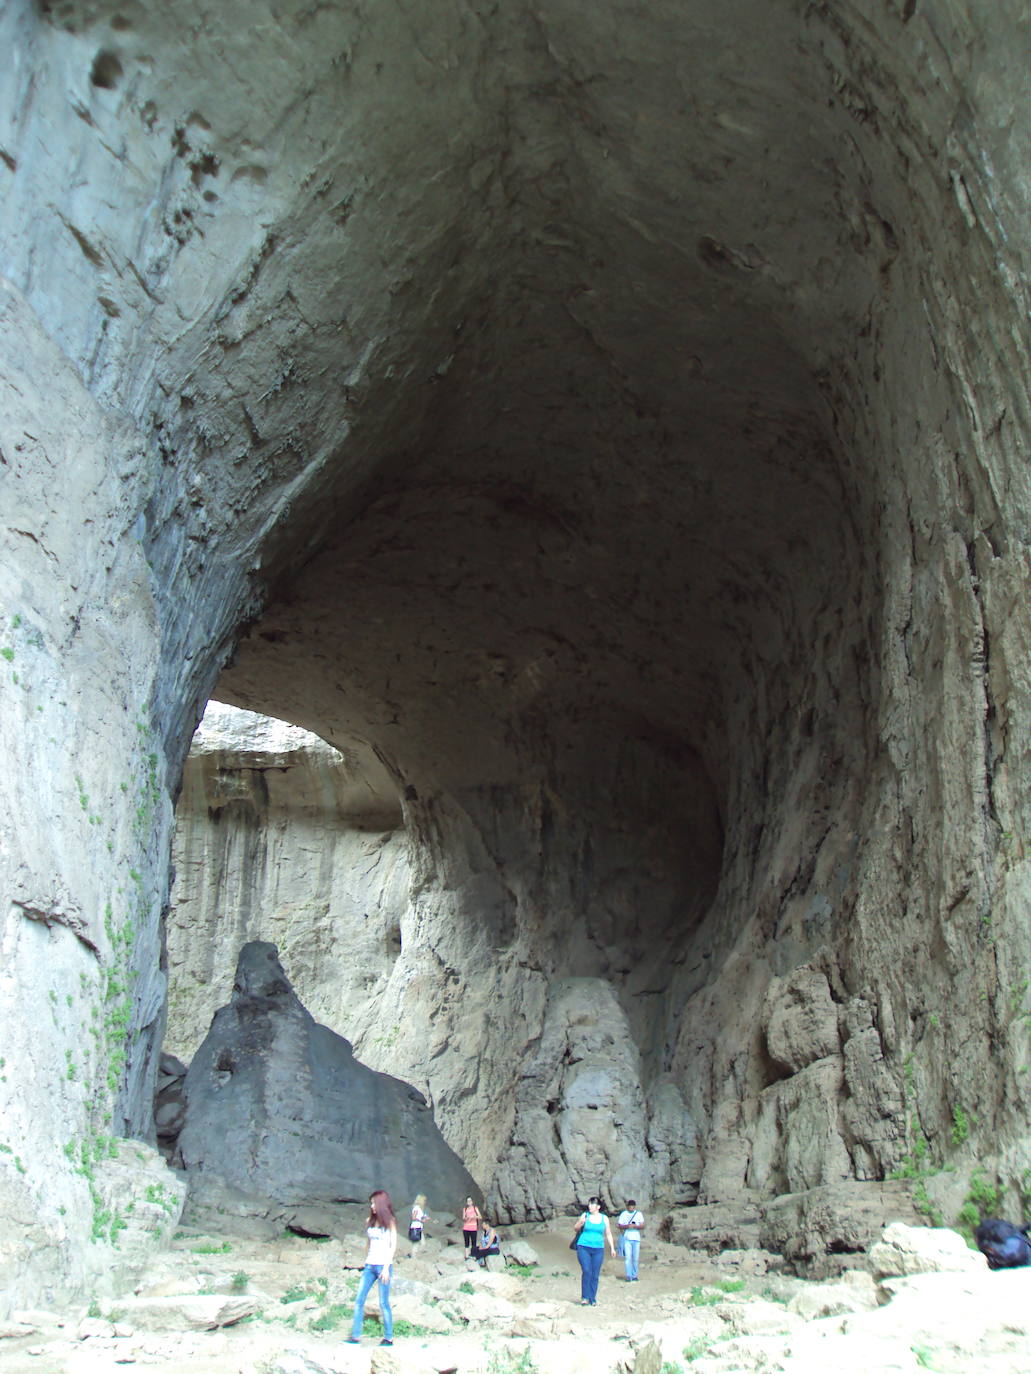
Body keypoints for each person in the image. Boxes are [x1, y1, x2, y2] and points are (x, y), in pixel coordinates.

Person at [347, 1189, 397, 1346]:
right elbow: (370, 1242)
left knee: (384, 1303)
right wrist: (366, 1259)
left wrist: (386, 1268)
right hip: (370, 1265)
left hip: (383, 1266)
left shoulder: (390, 1222)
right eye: (371, 1203)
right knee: (359, 1300)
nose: (372, 1206)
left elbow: (393, 1245)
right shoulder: (369, 1220)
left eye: (374, 1203)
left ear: (381, 1204)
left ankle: (388, 1337)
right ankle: (355, 1337)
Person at [572, 1195, 617, 1306]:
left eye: (592, 1204)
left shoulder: (604, 1218)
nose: (590, 1206)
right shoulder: (585, 1215)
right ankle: (585, 1297)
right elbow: (576, 1228)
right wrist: (580, 1223)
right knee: (587, 1270)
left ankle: (592, 1298)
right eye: (589, 1204)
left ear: (598, 1206)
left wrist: (612, 1248)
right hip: (584, 1246)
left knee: (595, 1274)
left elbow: (608, 1233)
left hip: (598, 1248)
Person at [616, 1199, 644, 1281]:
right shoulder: (624, 1214)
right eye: (629, 1206)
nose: (631, 1208)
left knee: (635, 1258)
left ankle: (634, 1275)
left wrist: (635, 1226)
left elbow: (642, 1225)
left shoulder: (639, 1214)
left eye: (632, 1206)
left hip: (636, 1238)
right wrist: (627, 1226)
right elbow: (619, 1225)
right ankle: (628, 1275)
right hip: (627, 1238)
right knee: (628, 1257)